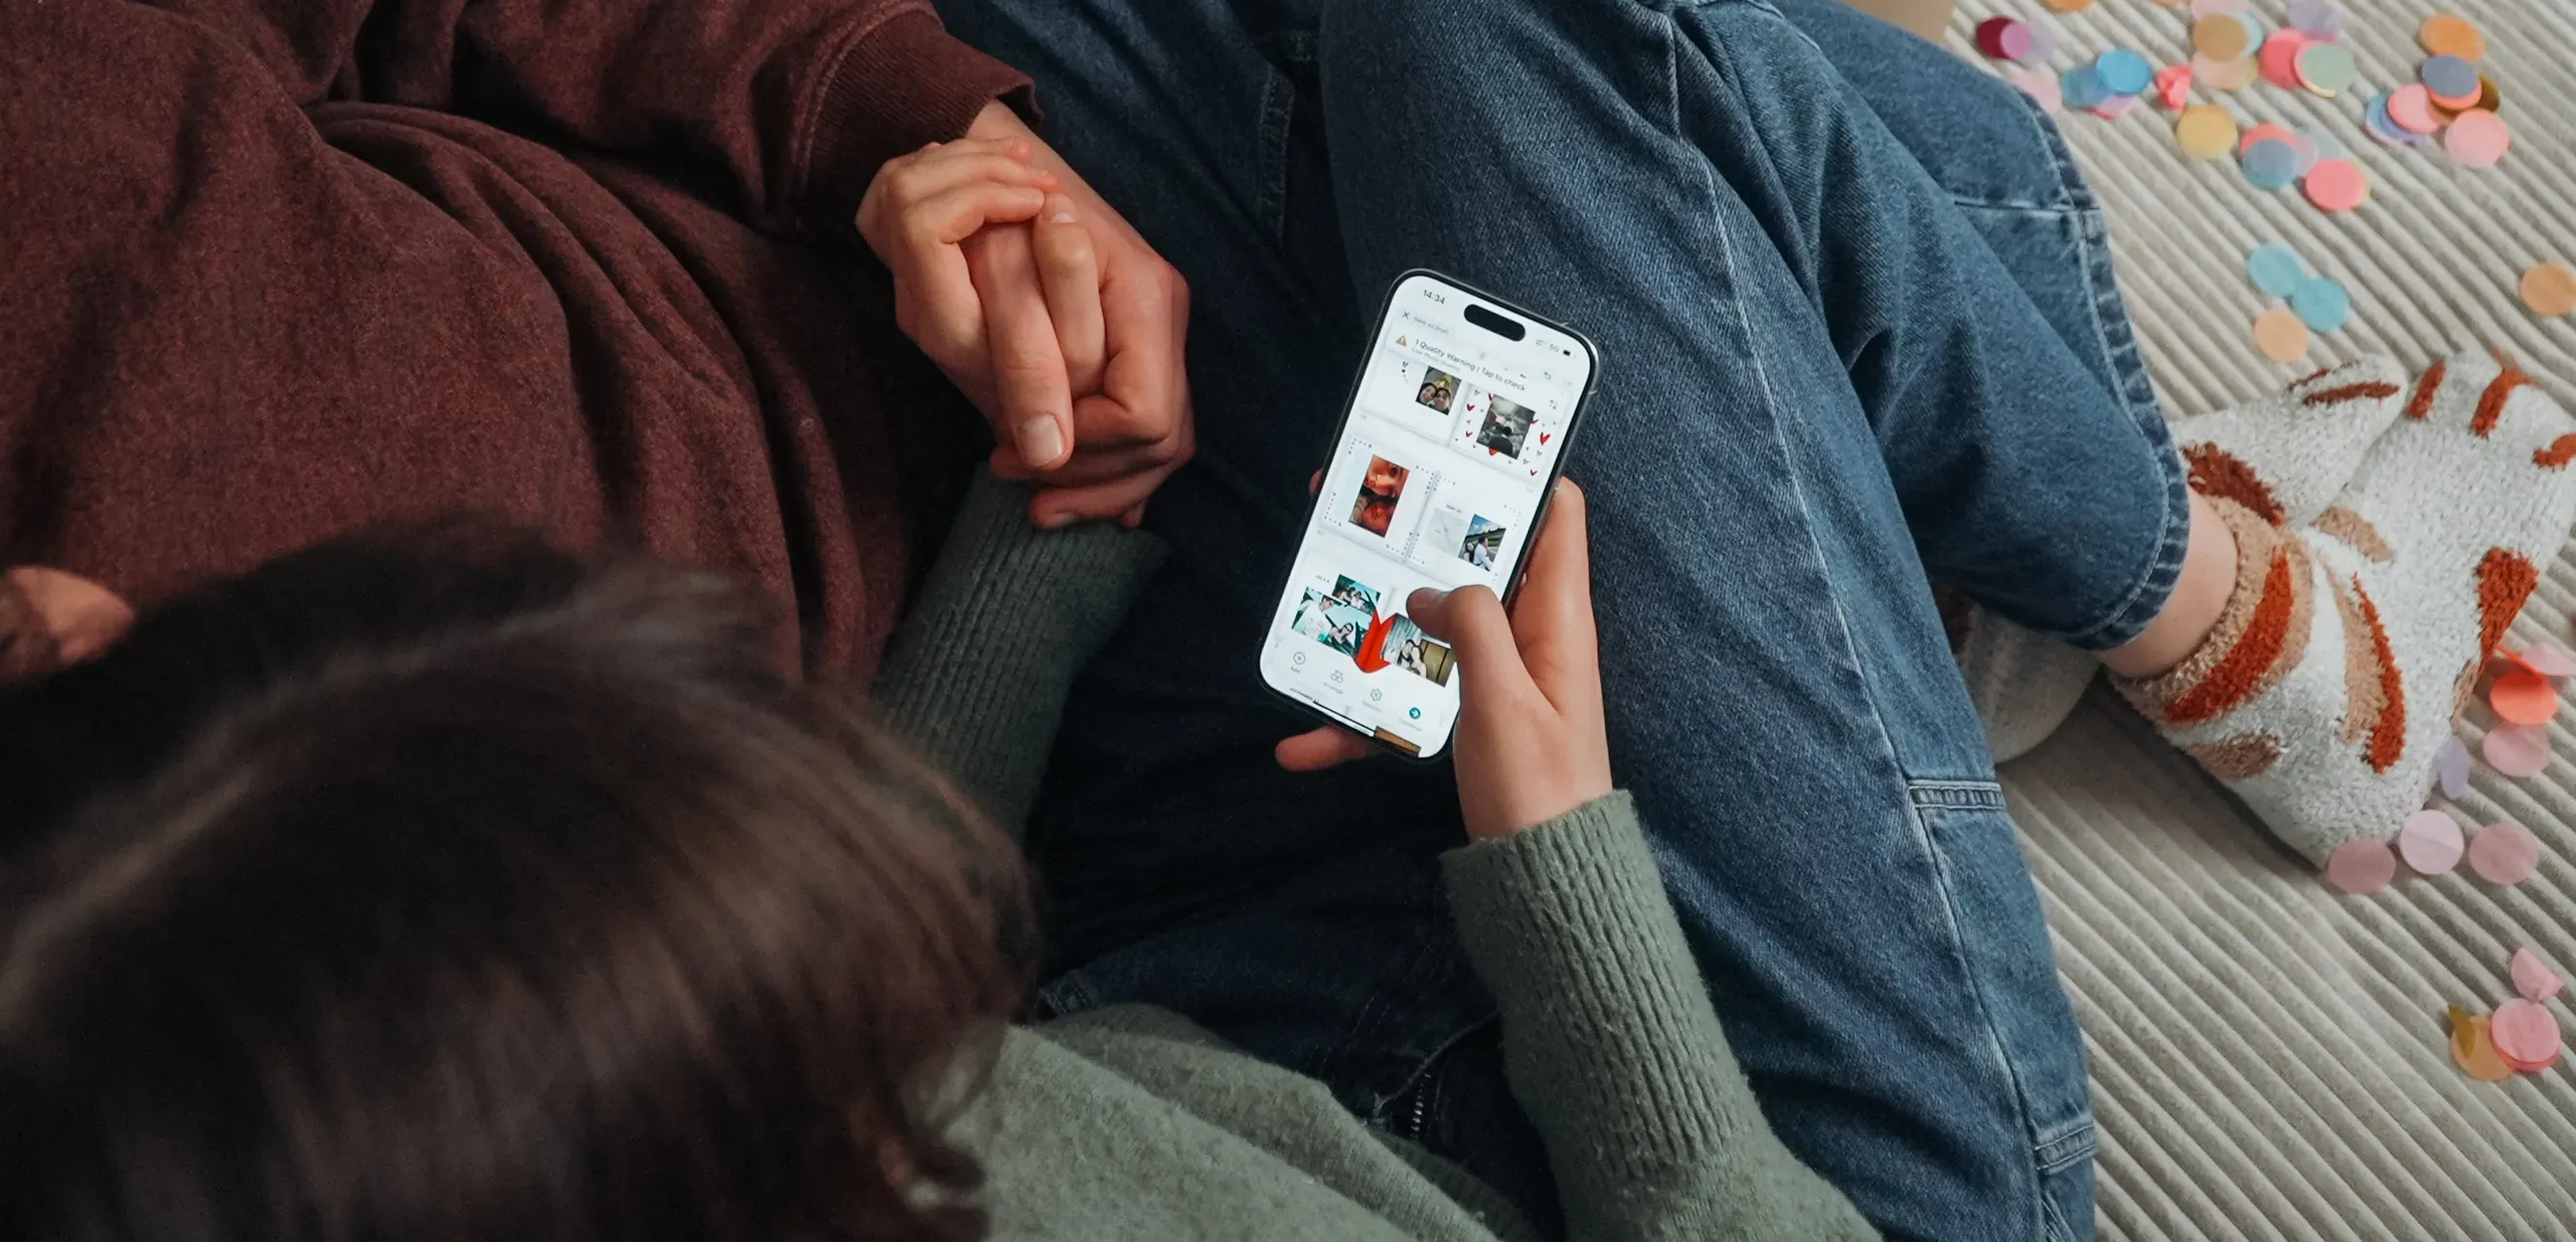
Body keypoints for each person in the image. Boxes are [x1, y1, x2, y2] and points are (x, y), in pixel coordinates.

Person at [8, 0, 2573, 1237]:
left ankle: (1837, 523)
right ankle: (2211, 607)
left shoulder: (681, 991)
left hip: (1077, 758)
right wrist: (1559, 868)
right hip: (1708, 1126)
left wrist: (964, 292)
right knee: (1537, 12)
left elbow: (921, 951)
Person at [0, 507, 1874, 1241]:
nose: (65, 594)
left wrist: (1051, 533)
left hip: (1178, 1031)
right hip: (1682, 1161)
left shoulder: (473, 1132)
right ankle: (2134, 586)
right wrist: (1567, 887)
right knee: (1503, 16)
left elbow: (879, 990)